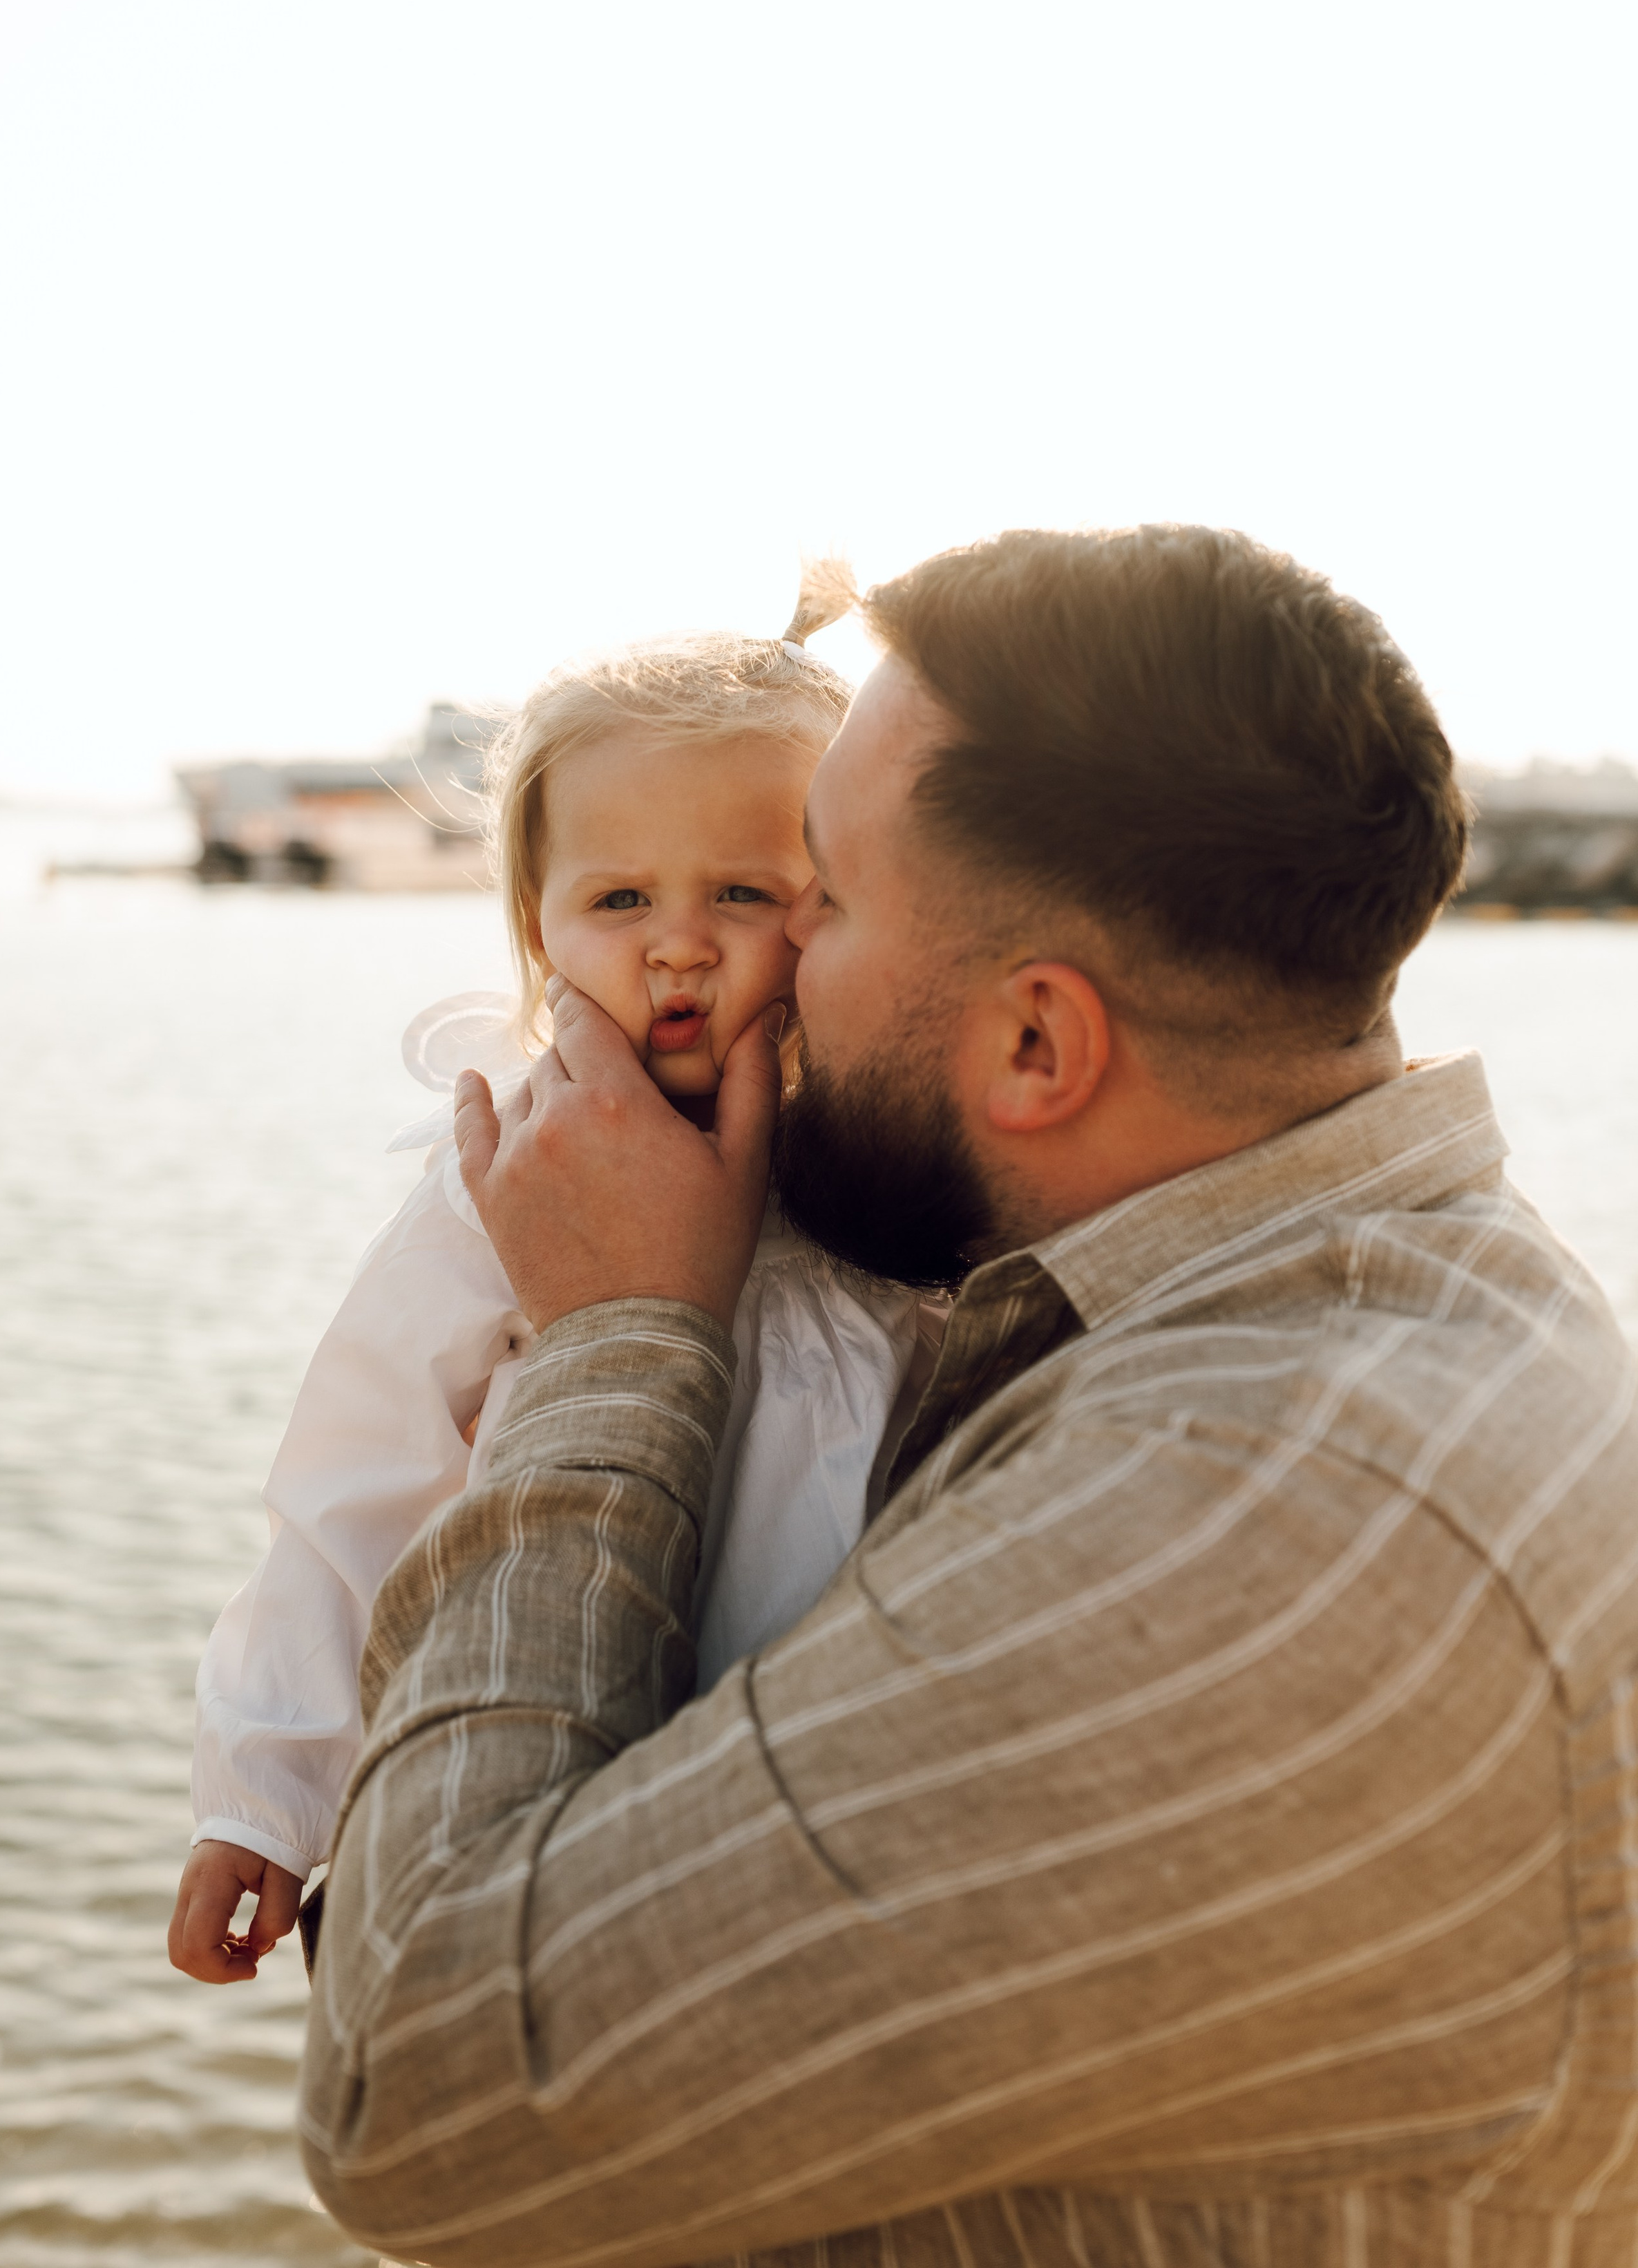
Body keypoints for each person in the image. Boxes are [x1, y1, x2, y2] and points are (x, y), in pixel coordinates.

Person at [298, 525, 1638, 2268]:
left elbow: (420, 2093)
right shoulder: (1354, 1300)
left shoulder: (1250, 1518)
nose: (764, 963)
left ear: (1035, 1045)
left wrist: (612, 1340)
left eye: (820, 895)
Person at [168, 571, 946, 1984]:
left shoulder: (889, 1157)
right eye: (619, 896)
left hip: (821, 1794)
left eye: (744, 891)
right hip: (558, 1730)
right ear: (539, 927)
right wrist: (266, 1793)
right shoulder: (509, 1168)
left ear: (840, 903)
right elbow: (360, 1472)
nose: (677, 941)